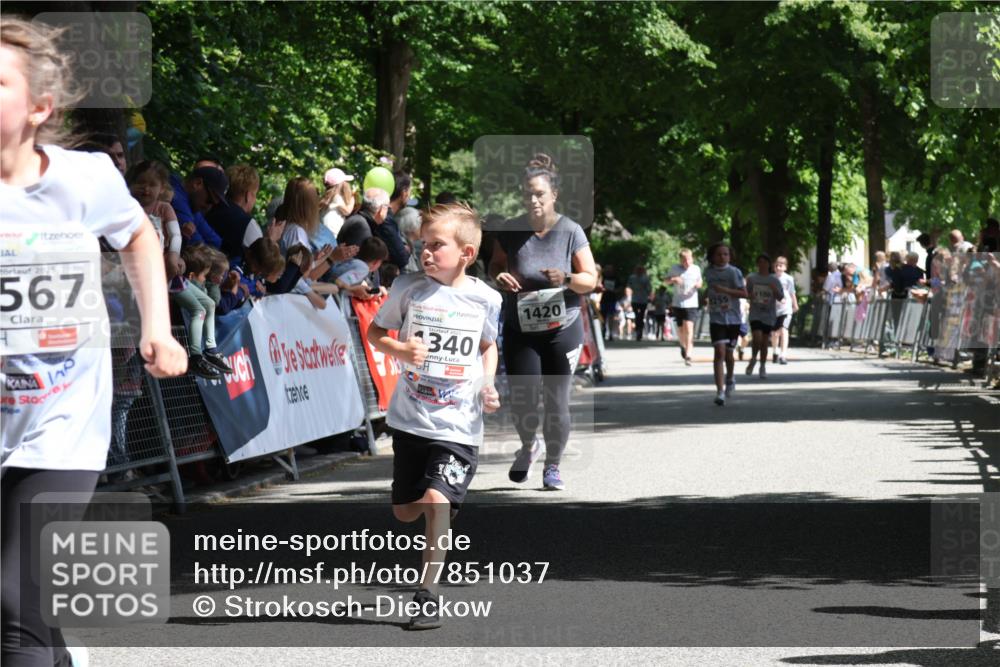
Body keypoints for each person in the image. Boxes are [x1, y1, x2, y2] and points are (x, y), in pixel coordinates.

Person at [1, 17, 186, 667]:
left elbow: (137, 235)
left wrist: (157, 327)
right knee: (22, 602)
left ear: (39, 108)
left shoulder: (83, 179)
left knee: (15, 603)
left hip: (63, 415)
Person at [367, 202, 502, 630]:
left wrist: (487, 384)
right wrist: (399, 349)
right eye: (423, 244)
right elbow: (375, 332)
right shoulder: (408, 289)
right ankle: (438, 499)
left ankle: (427, 594)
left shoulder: (485, 298)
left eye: (436, 245)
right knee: (405, 511)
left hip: (458, 423)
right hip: (411, 418)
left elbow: (487, 346)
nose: (425, 252)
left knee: (436, 501)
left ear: (466, 253)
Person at [489, 153, 597, 490]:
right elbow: (495, 265)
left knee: (556, 399)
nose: (533, 200)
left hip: (562, 327)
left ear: (554, 195)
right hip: (521, 326)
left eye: (539, 194)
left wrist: (567, 278)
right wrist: (499, 276)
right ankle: (528, 445)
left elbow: (590, 279)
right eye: (527, 194)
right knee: (522, 398)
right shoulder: (510, 229)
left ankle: (553, 465)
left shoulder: (570, 230)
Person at [170, 245, 233, 379]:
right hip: (172, 281)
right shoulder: (189, 277)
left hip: (181, 280)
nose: (205, 279)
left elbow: (213, 301)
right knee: (199, 311)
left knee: (209, 304)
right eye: (204, 275)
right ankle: (196, 357)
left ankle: (211, 350)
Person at [704, 243, 748, 406]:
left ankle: (730, 377)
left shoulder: (734, 272)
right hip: (716, 318)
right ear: (712, 256)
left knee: (729, 354)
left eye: (725, 254)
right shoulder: (708, 272)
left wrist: (725, 290)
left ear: (730, 256)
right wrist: (705, 296)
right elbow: (710, 288)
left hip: (733, 318)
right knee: (719, 352)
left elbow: (744, 293)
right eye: (719, 254)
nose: (722, 257)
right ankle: (720, 391)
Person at [125, 160, 182, 275]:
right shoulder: (126, 206)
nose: (146, 188)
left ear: (162, 188)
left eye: (152, 185)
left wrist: (173, 255)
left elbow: (175, 235)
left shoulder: (164, 208)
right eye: (141, 183)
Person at [744, 254, 784, 379]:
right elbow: (745, 293)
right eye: (760, 262)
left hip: (768, 314)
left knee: (764, 342)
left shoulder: (774, 280)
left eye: (764, 262)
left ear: (769, 264)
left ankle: (762, 366)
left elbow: (781, 297)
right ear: (757, 264)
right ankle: (753, 359)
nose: (762, 264)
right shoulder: (752, 278)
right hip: (755, 313)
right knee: (757, 338)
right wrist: (750, 295)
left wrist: (774, 289)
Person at [666, 248, 702, 364]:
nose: (687, 262)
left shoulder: (696, 269)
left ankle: (689, 354)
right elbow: (666, 281)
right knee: (681, 329)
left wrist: (697, 285)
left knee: (689, 328)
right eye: (684, 260)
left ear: (692, 258)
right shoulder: (675, 268)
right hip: (678, 303)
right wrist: (674, 279)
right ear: (680, 260)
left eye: (689, 259)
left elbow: (700, 282)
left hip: (692, 303)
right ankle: (682, 345)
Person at [770, 255, 798, 364]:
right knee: (774, 333)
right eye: (776, 265)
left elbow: (792, 292)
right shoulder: (771, 278)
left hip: (785, 308)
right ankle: (775, 352)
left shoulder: (789, 278)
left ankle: (783, 355)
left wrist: (795, 304)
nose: (778, 268)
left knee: (784, 330)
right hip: (773, 309)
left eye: (781, 265)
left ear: (785, 267)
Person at [317, 167, 355, 239]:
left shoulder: (327, 197)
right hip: (332, 236)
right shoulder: (337, 198)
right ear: (340, 184)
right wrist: (352, 200)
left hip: (323, 234)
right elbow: (347, 211)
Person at [626, 265, 652, 341]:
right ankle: (638, 329)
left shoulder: (645, 278)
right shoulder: (632, 278)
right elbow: (629, 286)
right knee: (638, 315)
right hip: (635, 300)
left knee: (641, 315)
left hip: (643, 300)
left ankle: (639, 329)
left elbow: (649, 289)